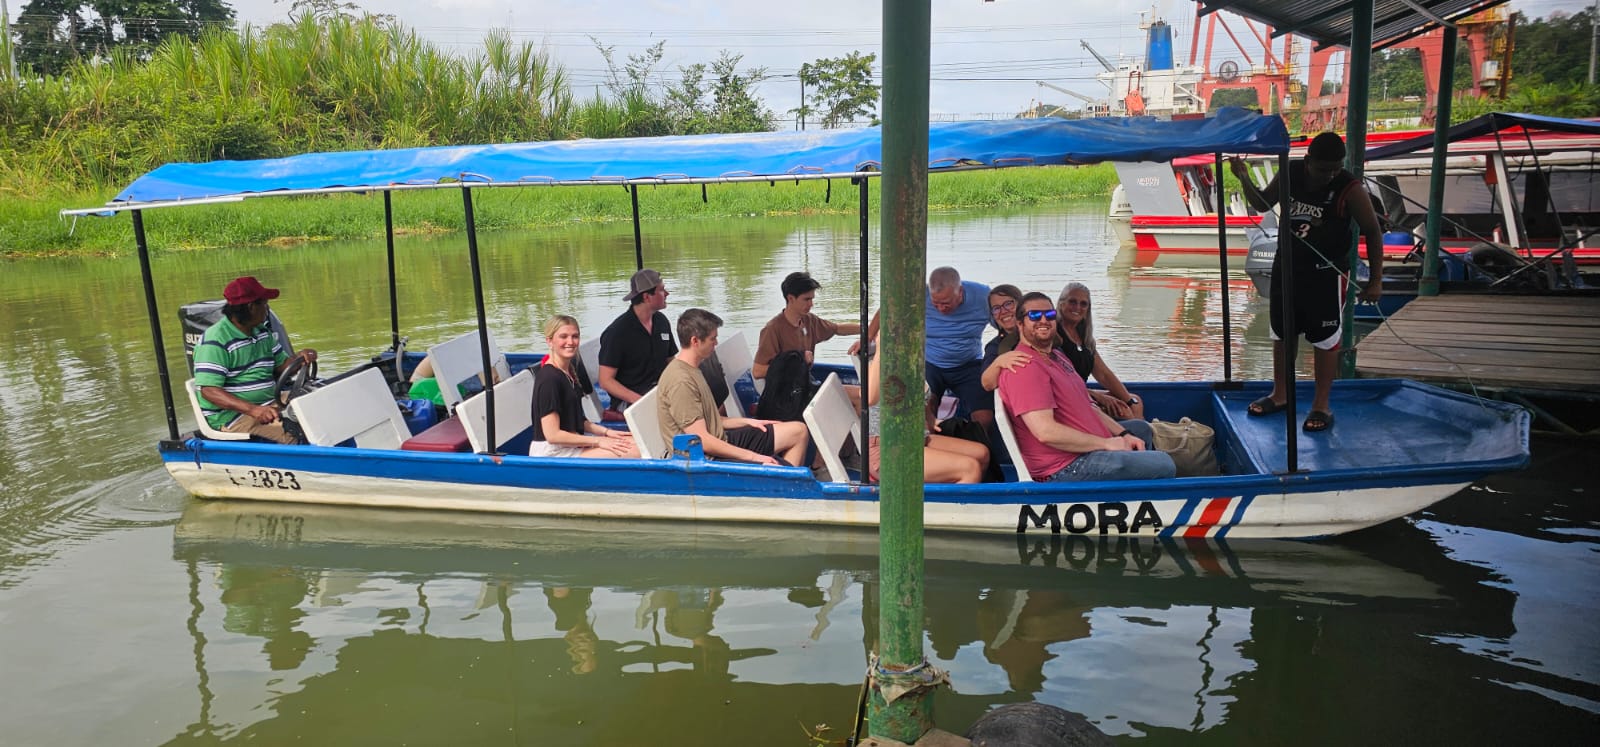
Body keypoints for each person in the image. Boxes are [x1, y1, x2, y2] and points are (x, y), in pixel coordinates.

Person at [1231, 131, 1385, 432]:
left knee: (1326, 339)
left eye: (1336, 168)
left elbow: (1373, 231)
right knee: (1282, 331)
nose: (1330, 175)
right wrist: (1243, 177)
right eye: (1323, 168)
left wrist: (1376, 280)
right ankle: (1281, 395)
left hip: (1327, 272)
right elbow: (1262, 204)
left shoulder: (1349, 188)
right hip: (1287, 267)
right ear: (1308, 160)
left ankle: (1321, 405)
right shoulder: (1291, 171)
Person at [997, 293, 1174, 482]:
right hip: (1065, 465)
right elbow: (1045, 432)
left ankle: (1131, 490)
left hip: (1087, 445)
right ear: (1019, 324)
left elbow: (1087, 406)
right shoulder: (1025, 367)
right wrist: (1107, 443)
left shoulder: (1057, 356)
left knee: (1140, 429)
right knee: (1164, 463)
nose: (1043, 320)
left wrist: (1122, 434)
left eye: (1049, 315)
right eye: (1033, 316)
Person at [656, 308, 810, 466]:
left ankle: (784, 481)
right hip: (707, 459)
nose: (716, 343)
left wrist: (746, 422)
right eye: (712, 339)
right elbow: (701, 440)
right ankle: (784, 484)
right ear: (695, 341)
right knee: (775, 464)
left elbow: (711, 420)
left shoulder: (693, 368)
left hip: (720, 438)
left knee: (798, 431)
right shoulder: (681, 381)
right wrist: (753, 456)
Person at [193, 276, 318, 444]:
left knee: (319, 404)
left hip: (270, 401)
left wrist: (300, 358)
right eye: (265, 304)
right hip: (235, 417)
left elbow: (282, 366)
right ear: (251, 307)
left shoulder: (262, 332)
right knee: (297, 433)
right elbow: (209, 391)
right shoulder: (215, 340)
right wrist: (254, 410)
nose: (267, 309)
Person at [864, 330, 989, 484]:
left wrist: (931, 419)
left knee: (981, 454)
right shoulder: (880, 365)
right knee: (970, 468)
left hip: (915, 438)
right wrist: (881, 350)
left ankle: (947, 497)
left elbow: (920, 397)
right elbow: (869, 398)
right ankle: (949, 506)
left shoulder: (911, 361)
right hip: (887, 448)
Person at [529, 316, 640, 458]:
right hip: (553, 452)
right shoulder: (549, 379)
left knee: (640, 442)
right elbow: (553, 435)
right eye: (563, 337)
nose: (570, 342)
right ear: (550, 341)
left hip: (569, 442)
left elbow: (577, 420)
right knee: (637, 451)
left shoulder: (568, 372)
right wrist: (598, 441)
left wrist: (606, 432)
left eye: (575, 336)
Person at [1054, 283, 1144, 419]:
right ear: (1061, 304)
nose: (1077, 307)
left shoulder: (1084, 337)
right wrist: (1098, 397)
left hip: (1083, 391)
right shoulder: (1055, 335)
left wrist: (1129, 401)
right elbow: (1059, 382)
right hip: (1067, 395)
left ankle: (1140, 435)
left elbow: (1104, 375)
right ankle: (1133, 436)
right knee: (1124, 411)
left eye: (1083, 304)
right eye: (1072, 301)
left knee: (1135, 402)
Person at [921, 266, 995, 431]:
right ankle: (933, 447)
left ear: (960, 292)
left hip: (968, 363)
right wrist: (868, 336)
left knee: (984, 418)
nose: (941, 309)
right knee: (927, 407)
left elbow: (1006, 322)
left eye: (946, 303)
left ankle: (974, 446)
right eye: (936, 304)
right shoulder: (919, 294)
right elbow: (887, 310)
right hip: (930, 362)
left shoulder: (983, 296)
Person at [753, 271, 862, 379]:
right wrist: (796, 363)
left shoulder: (809, 320)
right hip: (786, 391)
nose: (811, 304)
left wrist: (870, 329)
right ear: (790, 298)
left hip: (805, 383)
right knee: (859, 394)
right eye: (806, 299)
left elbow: (837, 329)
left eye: (812, 299)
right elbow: (758, 371)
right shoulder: (772, 329)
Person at [597, 268, 676, 411]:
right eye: (662, 290)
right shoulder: (617, 333)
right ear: (647, 297)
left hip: (661, 391)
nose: (667, 294)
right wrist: (641, 401)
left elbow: (671, 362)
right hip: (631, 401)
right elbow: (605, 381)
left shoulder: (661, 321)